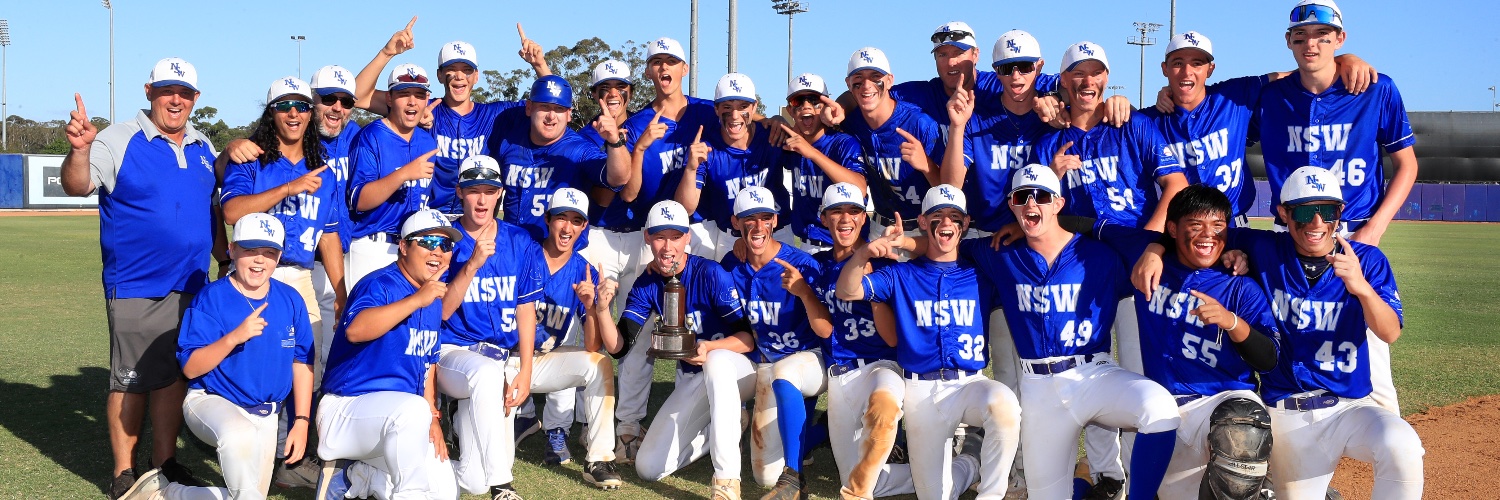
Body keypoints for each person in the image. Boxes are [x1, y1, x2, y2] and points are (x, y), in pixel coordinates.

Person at [1138, 167, 1424, 499]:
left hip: (1350, 407)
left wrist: (1361, 288)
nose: (1316, 222)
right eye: (1304, 211)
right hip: (1288, 416)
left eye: (1327, 210)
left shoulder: (1367, 261)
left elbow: (1389, 332)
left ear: (1339, 213)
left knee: (1402, 445)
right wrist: (1154, 249)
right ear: (1283, 213)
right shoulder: (1263, 247)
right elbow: (1199, 234)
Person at [934, 166, 1183, 499]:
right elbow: (942, 249)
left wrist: (1154, 250)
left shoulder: (1099, 252)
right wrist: (900, 242)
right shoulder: (1000, 254)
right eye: (1021, 197)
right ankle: (1085, 483)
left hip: (1093, 375)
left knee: (1160, 409)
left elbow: (1167, 242)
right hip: (1039, 390)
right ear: (1012, 205)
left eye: (1041, 196)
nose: (1030, 203)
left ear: (1059, 203)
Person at [60, 57, 215, 498]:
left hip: (191, 284)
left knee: (172, 377)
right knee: (129, 380)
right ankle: (123, 473)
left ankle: (163, 463)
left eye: (184, 93)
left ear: (195, 99)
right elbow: (77, 185)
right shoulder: (117, 138)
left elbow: (213, 208)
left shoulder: (203, 144)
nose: (175, 99)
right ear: (149, 91)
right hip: (135, 284)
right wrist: (79, 149)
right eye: (167, 90)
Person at [1254, 0, 1418, 415]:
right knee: (1286, 348)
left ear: (1340, 39)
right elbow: (1208, 107)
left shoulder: (1376, 89)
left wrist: (1374, 232)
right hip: (1289, 236)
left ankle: (1388, 448)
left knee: (1373, 360)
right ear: (1288, 41)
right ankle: (1288, 464)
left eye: (1324, 38)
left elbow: (1407, 164)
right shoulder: (1271, 97)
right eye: (1302, 36)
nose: (1312, 44)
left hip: (1352, 233)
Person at [1091, 185, 1283, 499]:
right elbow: (1091, 227)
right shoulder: (1148, 255)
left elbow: (1268, 360)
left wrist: (1232, 322)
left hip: (1221, 400)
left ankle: (1254, 485)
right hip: (1167, 411)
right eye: (1195, 226)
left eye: (1218, 227)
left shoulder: (1239, 287)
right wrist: (1154, 249)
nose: (1208, 236)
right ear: (1172, 229)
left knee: (1242, 430)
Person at [836, 185, 1022, 499]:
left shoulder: (981, 273)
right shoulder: (901, 274)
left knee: (1004, 404)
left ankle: (990, 494)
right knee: (935, 495)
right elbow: (847, 291)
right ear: (922, 222)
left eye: (954, 217)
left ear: (965, 224)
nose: (946, 223)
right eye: (938, 216)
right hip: (920, 392)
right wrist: (865, 252)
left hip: (969, 384)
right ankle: (969, 464)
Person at [129, 214, 316, 500]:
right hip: (212, 400)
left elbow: (302, 363)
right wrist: (233, 337)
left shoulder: (290, 299)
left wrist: (301, 421)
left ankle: (169, 494)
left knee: (248, 495)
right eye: (250, 250)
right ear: (232, 250)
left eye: (268, 253)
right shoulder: (211, 297)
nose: (259, 260)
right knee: (239, 442)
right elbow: (190, 368)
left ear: (279, 256)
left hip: (267, 414)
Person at [611, 37, 723, 463]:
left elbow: (741, 129)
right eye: (656, 62)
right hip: (652, 235)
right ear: (648, 71)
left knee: (700, 327)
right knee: (638, 338)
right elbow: (627, 192)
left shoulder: (705, 113)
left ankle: (702, 414)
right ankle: (628, 426)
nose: (664, 69)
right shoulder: (638, 121)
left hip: (695, 230)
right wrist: (638, 146)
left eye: (671, 62)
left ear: (684, 68)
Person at [1144, 30, 1376, 227]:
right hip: (1177, 230)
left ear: (1210, 69)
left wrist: (1343, 59)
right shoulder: (1147, 122)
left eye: (1197, 63)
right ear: (1165, 69)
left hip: (1235, 226)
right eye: (1177, 63)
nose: (1187, 71)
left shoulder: (1233, 95)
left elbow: (1298, 74)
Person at [314, 209, 460, 500]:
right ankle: (376, 478)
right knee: (410, 415)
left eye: (445, 245)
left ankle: (358, 474)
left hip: (399, 418)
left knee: (445, 486)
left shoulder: (431, 296)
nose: (438, 251)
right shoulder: (379, 284)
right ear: (403, 246)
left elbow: (427, 365)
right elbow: (355, 330)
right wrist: (416, 300)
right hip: (346, 409)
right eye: (428, 242)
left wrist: (433, 418)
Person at [777, 183, 910, 500]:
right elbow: (824, 331)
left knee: (885, 401)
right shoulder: (819, 265)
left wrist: (873, 289)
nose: (845, 218)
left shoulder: (886, 264)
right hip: (841, 375)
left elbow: (892, 337)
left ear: (864, 217)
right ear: (823, 218)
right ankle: (953, 467)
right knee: (859, 478)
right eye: (836, 211)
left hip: (882, 365)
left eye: (853, 210)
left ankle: (917, 447)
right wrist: (806, 293)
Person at [623, 200, 757, 500]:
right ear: (647, 237)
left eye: (675, 236)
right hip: (693, 378)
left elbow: (749, 339)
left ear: (688, 238)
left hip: (739, 373)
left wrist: (710, 347)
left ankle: (726, 480)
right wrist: (600, 309)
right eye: (659, 236)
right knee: (648, 467)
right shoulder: (647, 283)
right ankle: (730, 425)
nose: (667, 246)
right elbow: (620, 346)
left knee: (717, 362)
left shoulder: (710, 273)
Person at [430, 155, 544, 499]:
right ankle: (503, 487)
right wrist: (472, 264)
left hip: (495, 359)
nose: (481, 200)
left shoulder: (519, 240)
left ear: (500, 194)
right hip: (451, 352)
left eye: (489, 191)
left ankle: (413, 467)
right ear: (460, 192)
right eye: (473, 190)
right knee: (487, 375)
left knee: (472, 482)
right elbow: (443, 312)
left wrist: (525, 371)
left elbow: (526, 309)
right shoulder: (444, 239)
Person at [353, 17, 552, 213]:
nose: (459, 76)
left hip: (476, 222)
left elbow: (553, 106)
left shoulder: (495, 115)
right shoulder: (421, 107)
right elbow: (358, 96)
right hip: (430, 221)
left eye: (466, 70)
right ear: (439, 75)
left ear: (476, 76)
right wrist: (387, 53)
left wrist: (540, 65)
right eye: (451, 69)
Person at [509, 187, 626, 489]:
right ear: (548, 220)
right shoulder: (523, 254)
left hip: (542, 361)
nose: (567, 227)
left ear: (584, 227)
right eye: (562, 218)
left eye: (576, 220)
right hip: (502, 360)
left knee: (598, 364)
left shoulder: (583, 270)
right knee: (484, 453)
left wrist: (590, 306)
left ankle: (599, 458)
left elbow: (591, 346)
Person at [716, 186, 829, 493]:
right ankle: (817, 432)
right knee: (764, 475)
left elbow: (827, 326)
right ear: (736, 222)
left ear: (776, 220)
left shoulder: (802, 264)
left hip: (805, 359)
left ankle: (815, 443)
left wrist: (804, 291)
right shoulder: (731, 263)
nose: (757, 226)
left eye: (765, 218)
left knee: (769, 475)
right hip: (763, 364)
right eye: (749, 219)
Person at [485, 75, 629, 242]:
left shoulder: (578, 149)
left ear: (569, 114)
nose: (551, 116)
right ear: (529, 107)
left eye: (559, 109)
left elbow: (619, 178)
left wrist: (615, 142)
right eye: (544, 107)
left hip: (560, 255)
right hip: (513, 249)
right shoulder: (509, 143)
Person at [345, 63, 440, 289]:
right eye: (403, 94)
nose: (412, 101)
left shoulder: (426, 141)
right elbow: (358, 200)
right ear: (389, 98)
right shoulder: (371, 137)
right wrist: (403, 175)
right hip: (372, 246)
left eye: (419, 95)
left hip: (413, 249)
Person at [677, 74, 794, 258]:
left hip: (777, 234)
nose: (734, 115)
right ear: (716, 109)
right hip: (731, 238)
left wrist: (786, 126)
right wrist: (691, 169)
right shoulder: (707, 149)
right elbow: (686, 208)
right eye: (727, 107)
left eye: (743, 107)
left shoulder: (772, 136)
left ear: (754, 107)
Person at [840, 47, 944, 239]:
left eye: (875, 76)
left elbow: (948, 189)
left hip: (923, 230)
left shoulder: (919, 124)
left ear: (889, 81)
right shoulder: (851, 123)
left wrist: (926, 165)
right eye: (859, 78)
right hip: (879, 227)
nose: (866, 85)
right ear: (848, 83)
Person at [776, 73, 868, 254]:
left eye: (814, 100)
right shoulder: (790, 143)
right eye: (798, 101)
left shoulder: (843, 142)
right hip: (805, 246)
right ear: (790, 110)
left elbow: (860, 188)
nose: (806, 106)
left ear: (826, 106)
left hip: (842, 245)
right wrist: (772, 119)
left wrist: (812, 153)